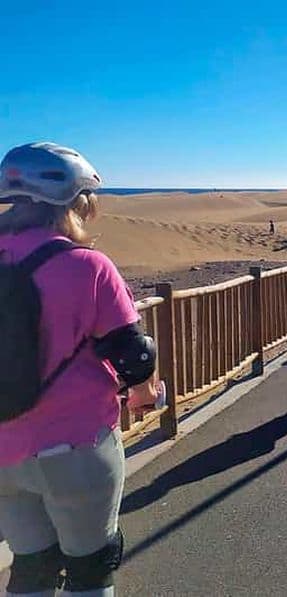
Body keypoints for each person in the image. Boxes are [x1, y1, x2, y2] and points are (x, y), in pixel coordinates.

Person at [0, 142, 161, 597]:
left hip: (3, 452)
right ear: (73, 202)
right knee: (90, 567)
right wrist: (144, 395)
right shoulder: (86, 265)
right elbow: (134, 355)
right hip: (76, 446)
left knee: (31, 568)